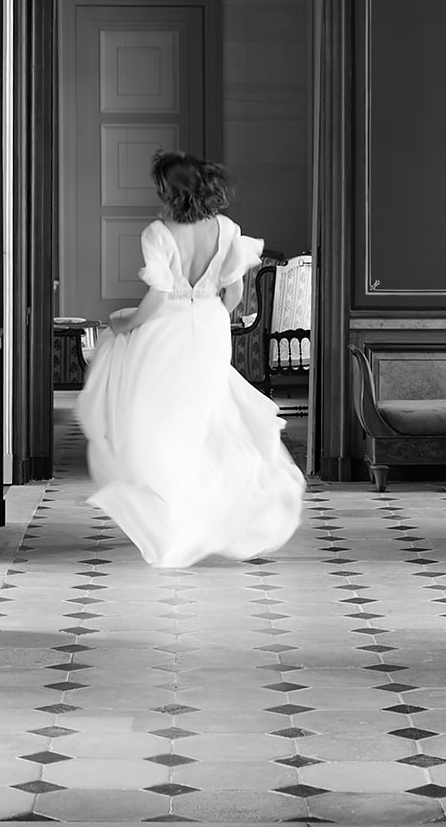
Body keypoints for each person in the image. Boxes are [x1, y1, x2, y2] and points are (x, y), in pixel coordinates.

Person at [75, 150, 306, 569]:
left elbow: (159, 297)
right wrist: (210, 311)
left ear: (170, 190)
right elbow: (234, 293)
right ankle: (226, 510)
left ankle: (177, 514)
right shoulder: (227, 229)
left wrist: (126, 324)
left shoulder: (159, 232)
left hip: (167, 329)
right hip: (213, 327)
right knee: (209, 418)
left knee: (160, 421)